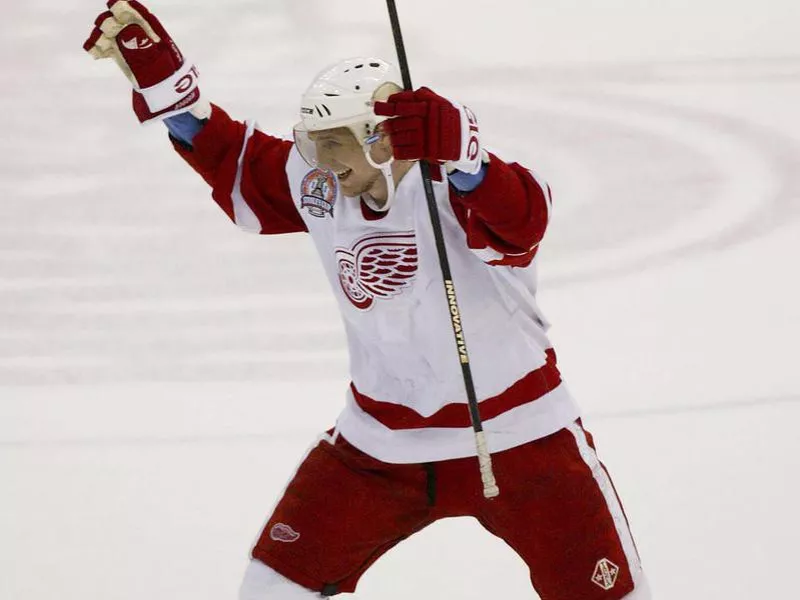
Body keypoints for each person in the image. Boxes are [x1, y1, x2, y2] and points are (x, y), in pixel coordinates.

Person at [84, 2, 651, 598]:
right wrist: (168, 91)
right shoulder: (319, 183)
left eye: (335, 145)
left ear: (380, 138)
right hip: (379, 446)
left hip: (521, 438)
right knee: (270, 589)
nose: (321, 162)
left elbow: (524, 220)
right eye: (315, 144)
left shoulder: (455, 188)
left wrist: (469, 160)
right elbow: (238, 160)